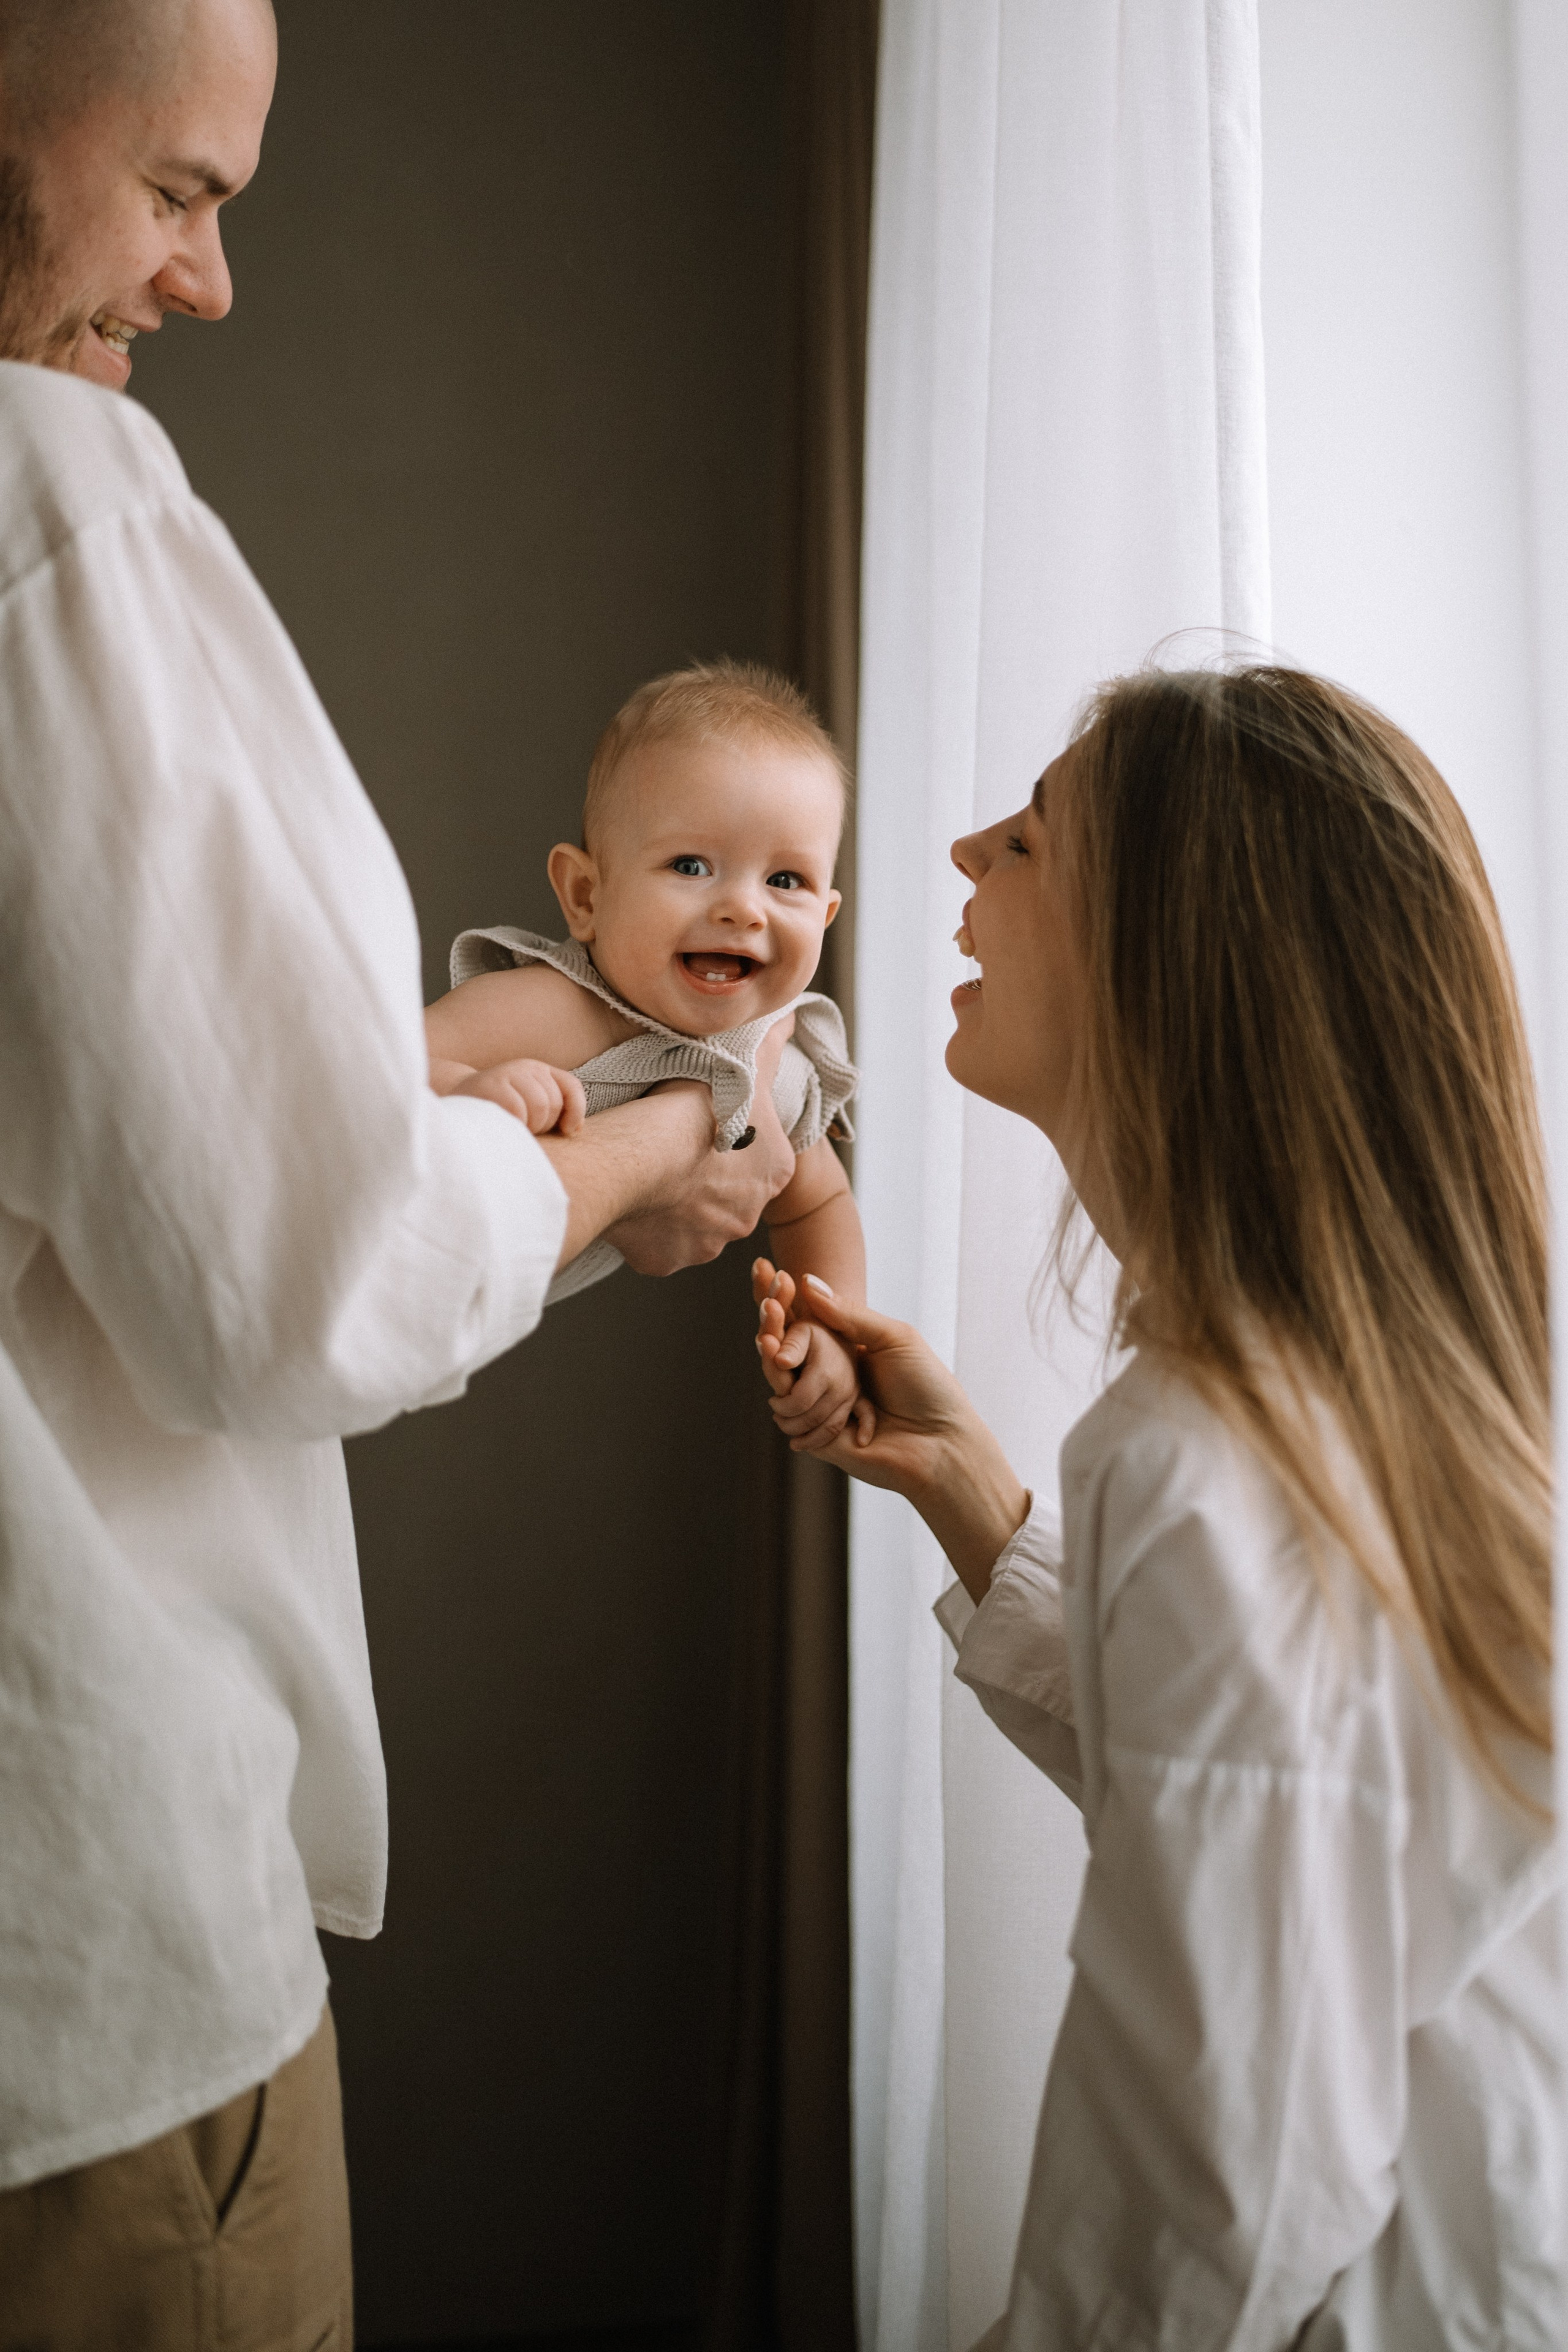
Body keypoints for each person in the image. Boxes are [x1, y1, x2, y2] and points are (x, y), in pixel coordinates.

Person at [0, 1, 796, 2342]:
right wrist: (663, 1144)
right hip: (70, 2001)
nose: (211, 281)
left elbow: (126, 1193)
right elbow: (296, 1269)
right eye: (180, 191)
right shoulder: (42, 499)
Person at [756, 665, 1561, 2345]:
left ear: (1177, 958)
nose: (968, 848)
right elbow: (1264, 1799)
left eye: (1033, 839)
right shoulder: (1334, 1414)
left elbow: (1218, 2180)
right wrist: (978, 1495)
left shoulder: (1213, 1462)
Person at [426, 660, 870, 1446]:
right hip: (415, 1297)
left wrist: (833, 1328)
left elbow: (819, 1203)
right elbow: (376, 1075)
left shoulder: (785, 1066)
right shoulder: (555, 1009)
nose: (742, 907)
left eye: (787, 879)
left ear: (828, 914)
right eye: (691, 866)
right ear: (586, 897)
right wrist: (472, 1087)